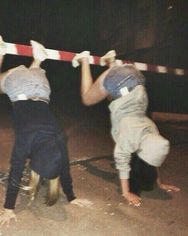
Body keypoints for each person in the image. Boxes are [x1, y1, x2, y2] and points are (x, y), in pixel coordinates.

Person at [0, 34, 92, 226]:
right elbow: (16, 171)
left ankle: (39, 60)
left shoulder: (59, 138)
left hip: (42, 87)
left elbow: (64, 170)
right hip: (19, 88)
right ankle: (0, 52)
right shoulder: (26, 140)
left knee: (34, 73)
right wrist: (8, 209)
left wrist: (72, 197)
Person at [72, 50, 180, 207]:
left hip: (136, 81)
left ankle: (111, 62)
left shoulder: (152, 132)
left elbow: (155, 153)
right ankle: (84, 59)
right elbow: (122, 161)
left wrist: (159, 183)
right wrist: (126, 192)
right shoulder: (129, 134)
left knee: (112, 95)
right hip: (121, 83)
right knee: (87, 98)